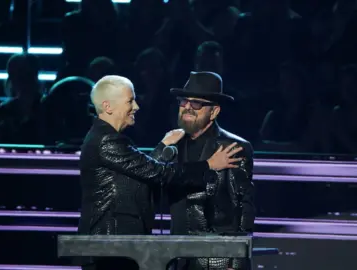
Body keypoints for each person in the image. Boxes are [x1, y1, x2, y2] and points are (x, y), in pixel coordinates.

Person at [77, 75, 243, 270]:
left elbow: (140, 172)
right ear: (108, 107)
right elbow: (158, 173)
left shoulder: (106, 139)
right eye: (130, 101)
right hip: (109, 246)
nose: (136, 107)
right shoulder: (107, 141)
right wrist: (208, 165)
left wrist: (162, 146)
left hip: (117, 246)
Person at [165, 72, 255, 270]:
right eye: (183, 101)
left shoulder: (232, 146)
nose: (188, 107)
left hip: (214, 257)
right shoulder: (172, 145)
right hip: (177, 254)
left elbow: (242, 207)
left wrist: (235, 258)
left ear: (214, 112)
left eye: (197, 103)